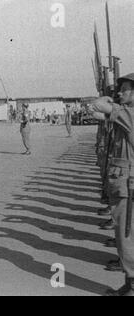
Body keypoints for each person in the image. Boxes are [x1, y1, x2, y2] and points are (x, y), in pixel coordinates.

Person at [90, 73, 134, 296]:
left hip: (128, 185)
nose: (119, 93)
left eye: (124, 90)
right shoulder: (127, 114)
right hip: (126, 184)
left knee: (126, 237)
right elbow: (99, 113)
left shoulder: (131, 114)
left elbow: (99, 105)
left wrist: (107, 99)